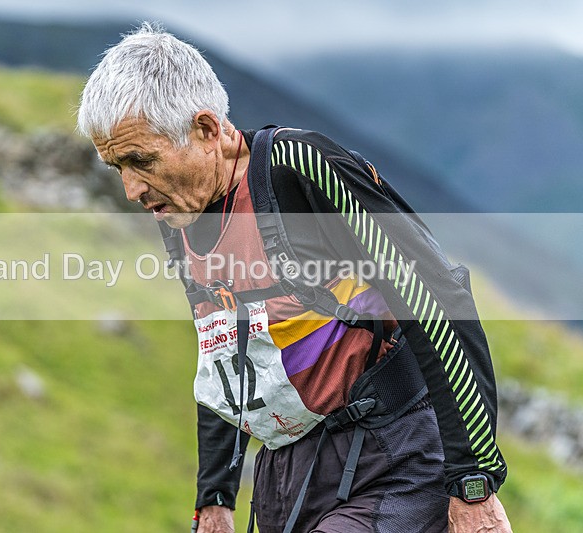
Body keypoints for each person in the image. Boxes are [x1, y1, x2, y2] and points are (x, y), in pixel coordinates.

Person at [77, 23, 512, 533]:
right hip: (284, 477)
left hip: (394, 458)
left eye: (140, 161)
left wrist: (473, 481)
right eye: (116, 167)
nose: (130, 189)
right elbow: (227, 354)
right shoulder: (180, 211)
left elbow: (438, 295)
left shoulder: (298, 169)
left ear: (207, 130)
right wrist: (214, 498)